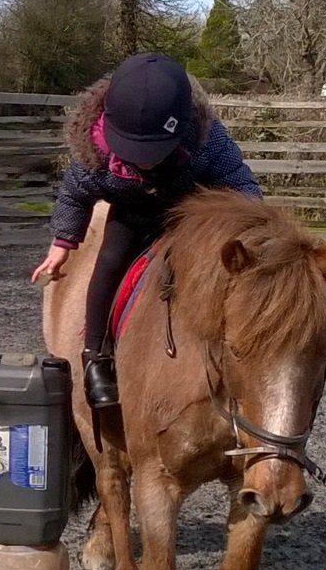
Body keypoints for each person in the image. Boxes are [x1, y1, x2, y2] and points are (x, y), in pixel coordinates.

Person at [31, 52, 261, 413]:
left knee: (228, 272)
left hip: (192, 216)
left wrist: (251, 231)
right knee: (108, 263)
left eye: (154, 150)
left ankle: (250, 345)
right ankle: (95, 356)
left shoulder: (207, 138)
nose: (145, 160)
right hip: (133, 213)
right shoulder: (95, 151)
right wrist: (63, 243)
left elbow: (239, 181)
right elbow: (74, 195)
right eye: (134, 150)